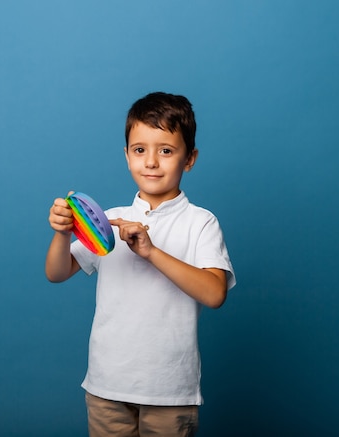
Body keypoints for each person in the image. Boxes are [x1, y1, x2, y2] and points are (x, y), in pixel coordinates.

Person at [45, 92, 236, 437]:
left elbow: (214, 293)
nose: (151, 162)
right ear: (126, 156)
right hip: (107, 385)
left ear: (189, 158)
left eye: (166, 150)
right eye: (139, 150)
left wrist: (151, 252)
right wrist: (62, 233)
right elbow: (56, 273)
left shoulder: (201, 222)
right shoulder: (109, 220)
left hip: (171, 390)